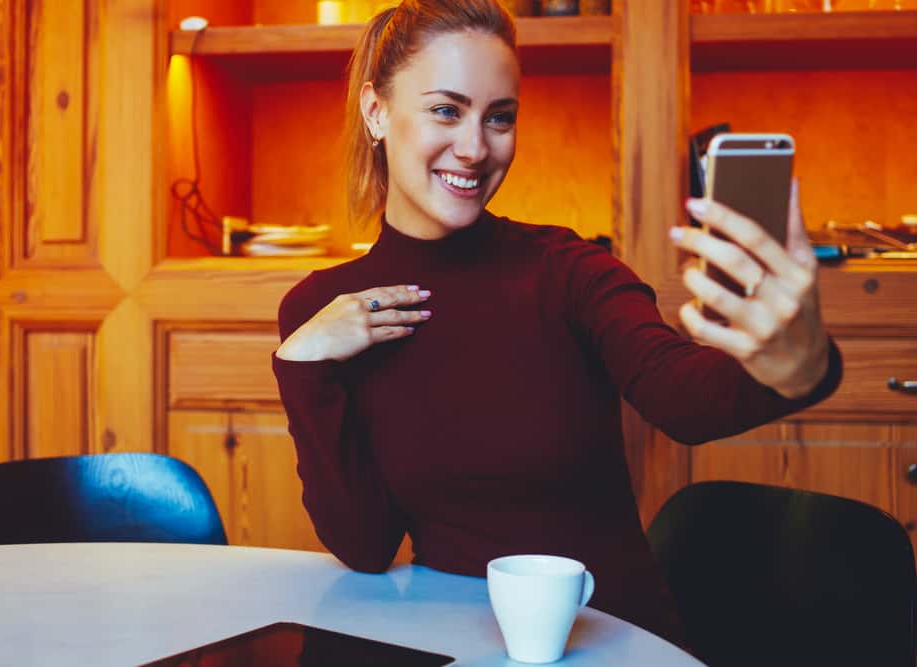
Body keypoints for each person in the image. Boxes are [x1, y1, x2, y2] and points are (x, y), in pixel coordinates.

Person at [271, 0, 840, 646]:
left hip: (616, 644)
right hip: (458, 645)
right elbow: (366, 542)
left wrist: (797, 363)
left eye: (500, 117)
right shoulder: (323, 309)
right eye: (446, 110)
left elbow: (681, 396)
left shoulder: (568, 267)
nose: (475, 147)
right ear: (377, 112)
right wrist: (305, 365)